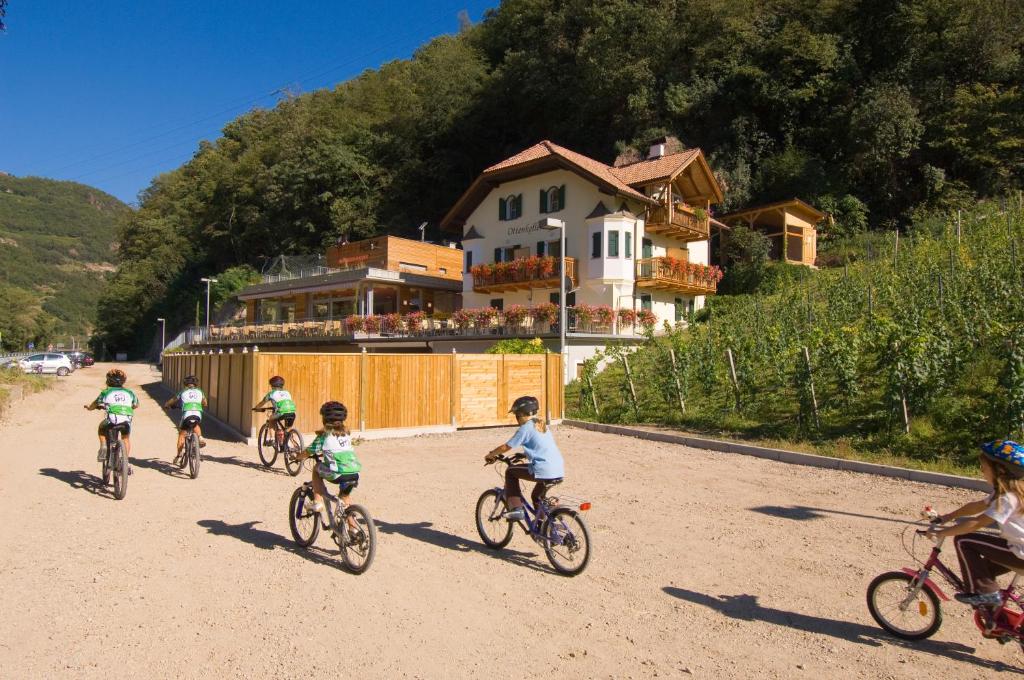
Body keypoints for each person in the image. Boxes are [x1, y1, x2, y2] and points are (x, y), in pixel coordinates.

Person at [927, 440, 1024, 607]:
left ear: (1000, 470)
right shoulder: (1007, 491)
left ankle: (988, 595)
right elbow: (977, 506)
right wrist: (948, 516)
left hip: (1020, 553)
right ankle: (996, 617)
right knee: (982, 572)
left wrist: (942, 532)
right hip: (1017, 549)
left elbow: (978, 522)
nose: (982, 471)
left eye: (984, 467)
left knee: (964, 540)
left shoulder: (1008, 498)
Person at [484, 395, 565, 521]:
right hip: (558, 468)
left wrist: (491, 455)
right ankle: (544, 525)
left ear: (521, 414)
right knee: (537, 496)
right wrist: (524, 454)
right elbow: (540, 445)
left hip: (543, 469)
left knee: (510, 472)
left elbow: (506, 447)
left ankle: (517, 509)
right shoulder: (541, 424)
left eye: (516, 415)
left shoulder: (525, 428)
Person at [296, 401, 361, 529]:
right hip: (354, 473)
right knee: (344, 497)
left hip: (337, 474)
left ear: (324, 419)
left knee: (316, 468)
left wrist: (298, 457)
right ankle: (352, 530)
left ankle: (317, 501)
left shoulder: (324, 436)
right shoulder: (346, 434)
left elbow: (309, 452)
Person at [84, 368, 140, 465]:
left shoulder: (106, 392)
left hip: (112, 420)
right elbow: (136, 405)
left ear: (108, 380)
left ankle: (103, 446)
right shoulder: (130, 392)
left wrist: (89, 408)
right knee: (125, 438)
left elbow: (95, 403)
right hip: (126, 421)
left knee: (101, 428)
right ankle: (125, 461)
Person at [163, 374, 208, 463]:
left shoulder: (183, 392)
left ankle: (179, 456)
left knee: (182, 434)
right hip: (197, 413)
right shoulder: (200, 392)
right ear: (196, 384)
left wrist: (167, 405)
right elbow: (205, 403)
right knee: (195, 424)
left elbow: (173, 400)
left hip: (187, 413)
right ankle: (200, 437)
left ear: (185, 383)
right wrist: (200, 404)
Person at [252, 375, 297, 446]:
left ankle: (272, 439)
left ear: (272, 385)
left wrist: (256, 408)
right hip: (292, 413)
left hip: (281, 412)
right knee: (287, 431)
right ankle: (295, 446)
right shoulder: (287, 392)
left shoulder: (271, 394)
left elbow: (262, 402)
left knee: (271, 419)